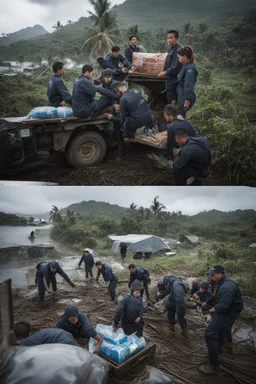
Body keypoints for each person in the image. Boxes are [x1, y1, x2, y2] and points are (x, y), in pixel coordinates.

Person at [198, 264, 243, 375]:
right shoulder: (220, 283)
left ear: (219, 274)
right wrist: (207, 302)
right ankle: (221, 349)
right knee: (221, 331)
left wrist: (212, 310)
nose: (211, 277)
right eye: (210, 275)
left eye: (213, 275)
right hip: (228, 311)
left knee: (210, 334)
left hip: (228, 313)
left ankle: (213, 366)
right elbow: (215, 294)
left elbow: (223, 305)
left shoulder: (227, 287)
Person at [158, 30, 182, 105]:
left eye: (171, 38)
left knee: (172, 98)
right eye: (168, 38)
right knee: (169, 96)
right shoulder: (170, 49)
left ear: (176, 38)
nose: (169, 40)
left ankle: (172, 114)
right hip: (169, 79)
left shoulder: (178, 50)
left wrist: (166, 72)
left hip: (174, 79)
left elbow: (176, 66)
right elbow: (167, 61)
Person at [14, 321, 79, 347]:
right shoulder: (39, 335)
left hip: (65, 344)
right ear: (30, 333)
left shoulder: (29, 341)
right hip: (66, 336)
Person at [176, 46, 198, 117]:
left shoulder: (190, 69)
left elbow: (189, 86)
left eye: (179, 57)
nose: (178, 59)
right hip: (181, 97)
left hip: (184, 100)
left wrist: (186, 104)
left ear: (184, 57)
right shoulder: (185, 66)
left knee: (180, 118)